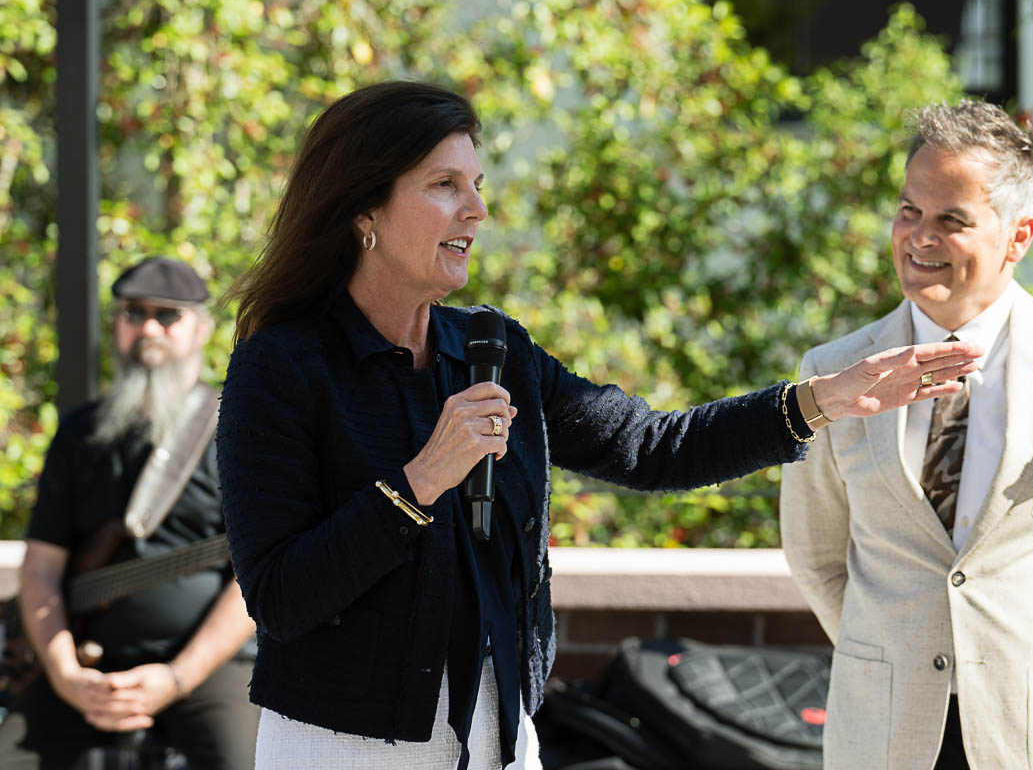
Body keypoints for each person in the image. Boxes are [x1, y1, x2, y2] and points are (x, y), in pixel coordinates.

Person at [215, 79, 980, 770]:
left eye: (477, 185)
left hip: (501, 738)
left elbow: (653, 449)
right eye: (444, 185)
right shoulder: (281, 366)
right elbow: (279, 596)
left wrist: (821, 400)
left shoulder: (493, 349)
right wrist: (421, 482)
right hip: (344, 746)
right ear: (363, 210)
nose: (476, 210)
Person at [779, 100, 1033, 770]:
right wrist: (896, 652)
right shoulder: (832, 372)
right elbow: (815, 554)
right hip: (889, 735)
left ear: (1018, 237)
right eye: (909, 210)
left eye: (952, 220)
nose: (919, 237)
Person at [0, 258, 259, 769]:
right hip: (85, 666)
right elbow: (42, 566)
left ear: (202, 329)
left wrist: (177, 677)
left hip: (206, 667)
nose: (149, 328)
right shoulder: (80, 434)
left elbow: (253, 579)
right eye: (134, 313)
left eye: (168, 315)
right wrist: (66, 676)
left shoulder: (240, 429)